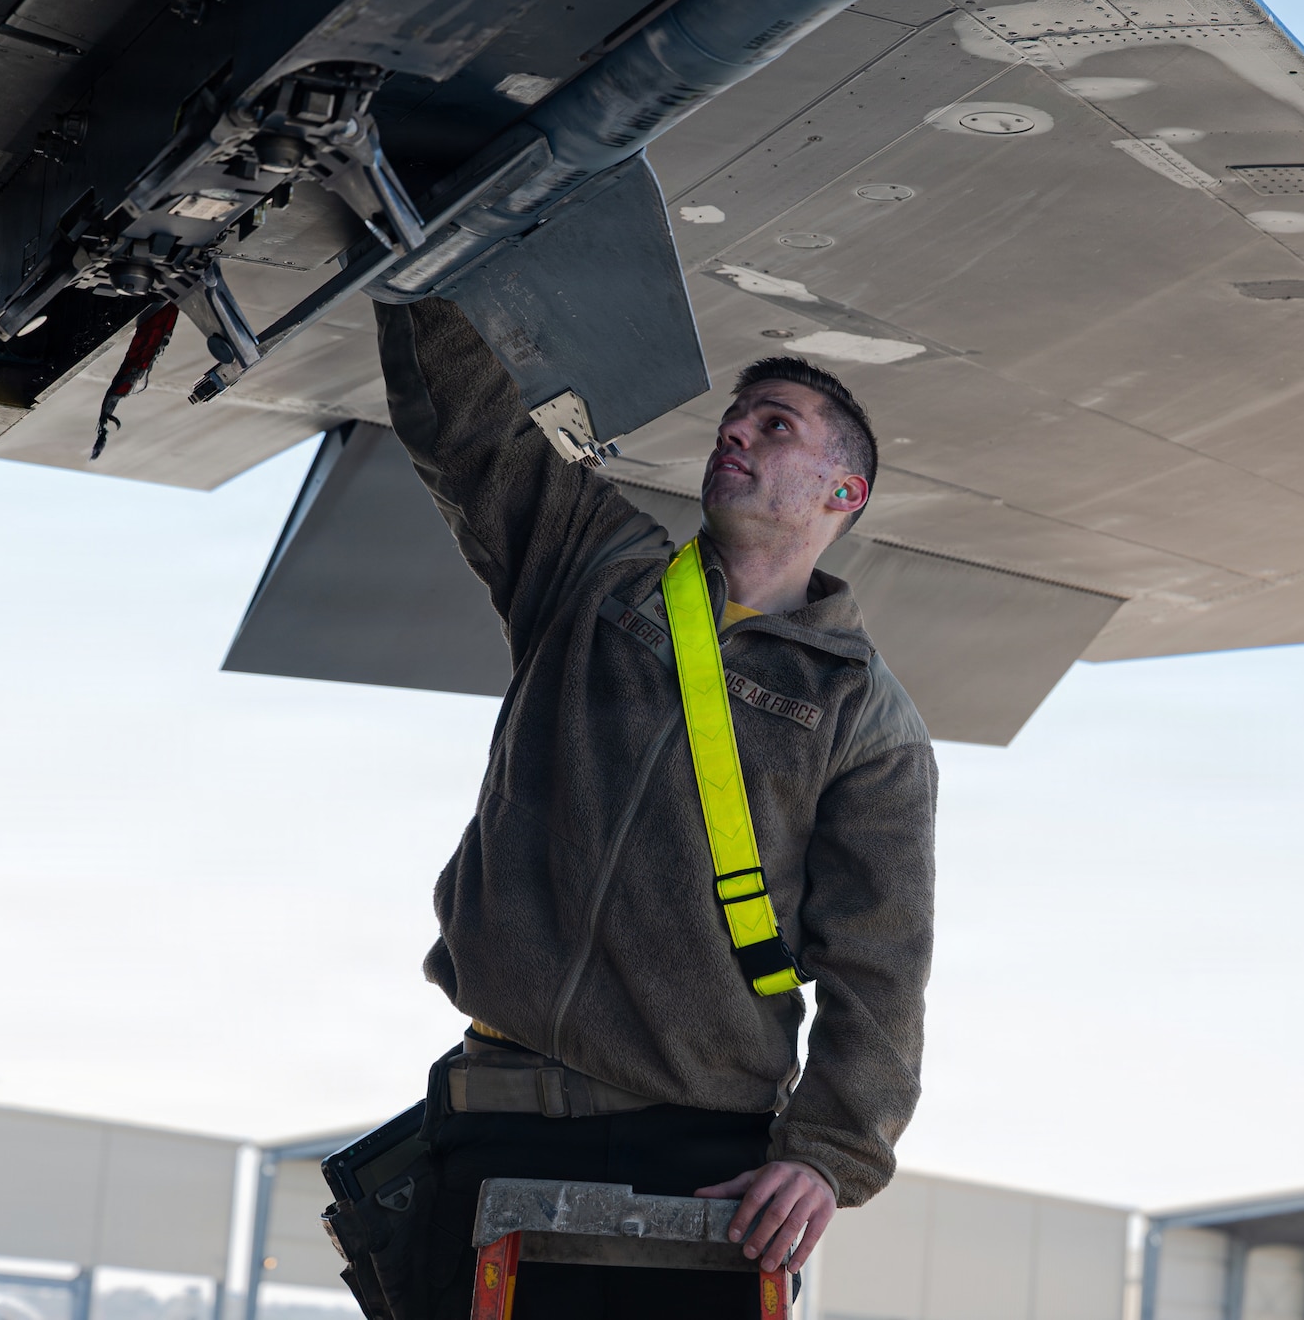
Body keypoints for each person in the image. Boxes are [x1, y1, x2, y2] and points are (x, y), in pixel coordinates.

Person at [374, 297, 936, 1319]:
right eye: (737, 417)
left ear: (839, 489)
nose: (736, 431)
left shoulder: (863, 716)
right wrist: (417, 268)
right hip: (490, 1118)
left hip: (698, 1157)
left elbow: (880, 962)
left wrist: (828, 1154)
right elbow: (468, 431)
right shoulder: (592, 569)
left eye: (775, 426)